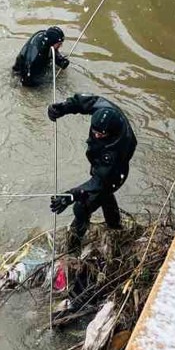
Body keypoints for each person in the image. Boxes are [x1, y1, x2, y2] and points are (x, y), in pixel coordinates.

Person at [45, 94, 137, 247]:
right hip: (100, 165)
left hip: (114, 175)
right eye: (94, 131)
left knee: (82, 207)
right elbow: (85, 102)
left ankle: (73, 245)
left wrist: (72, 195)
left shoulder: (116, 150)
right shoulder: (105, 109)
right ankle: (115, 226)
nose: (96, 135)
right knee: (104, 196)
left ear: (111, 132)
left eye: (101, 134)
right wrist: (63, 108)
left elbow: (100, 181)